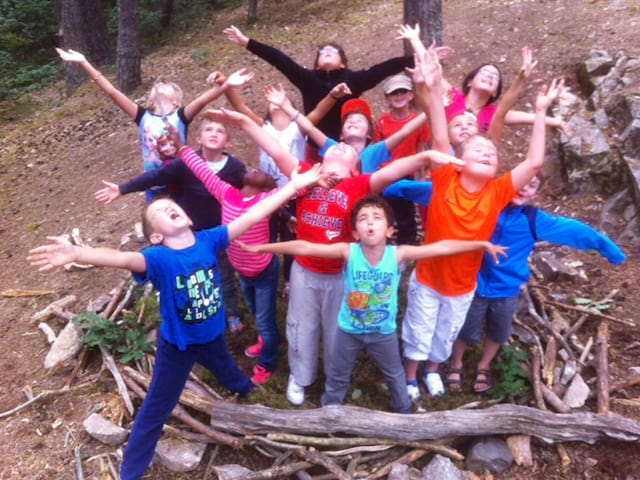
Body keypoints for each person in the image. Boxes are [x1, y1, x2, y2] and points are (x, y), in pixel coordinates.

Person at [27, 165, 322, 480]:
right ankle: (131, 472)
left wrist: (293, 187)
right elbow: (121, 258)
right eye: (162, 212)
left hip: (213, 335)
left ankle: (246, 390)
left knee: (227, 369)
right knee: (157, 406)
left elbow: (250, 217)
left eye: (173, 207)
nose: (170, 209)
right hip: (178, 346)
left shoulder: (210, 240)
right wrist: (76, 252)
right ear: (155, 235)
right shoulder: (158, 258)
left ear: (189, 218)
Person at [206, 103, 465, 406]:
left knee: (336, 331)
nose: (341, 146)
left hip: (342, 274)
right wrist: (241, 119)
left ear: (356, 167)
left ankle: (333, 376)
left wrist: (426, 156)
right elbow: (274, 149)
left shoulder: (359, 185)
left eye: (346, 150)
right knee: (301, 326)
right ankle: (300, 376)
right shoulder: (304, 173)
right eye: (336, 146)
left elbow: (394, 170)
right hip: (304, 270)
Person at [238, 194, 506, 412]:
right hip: (348, 331)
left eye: (377, 218)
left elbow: (440, 248)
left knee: (394, 375)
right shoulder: (348, 251)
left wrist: (481, 244)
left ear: (390, 230)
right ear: (355, 232)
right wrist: (262, 248)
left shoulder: (399, 254)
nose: (370, 222)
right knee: (338, 376)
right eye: (363, 219)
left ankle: (403, 409)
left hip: (383, 333)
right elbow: (305, 247)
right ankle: (330, 412)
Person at [400, 44, 563, 401]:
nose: (489, 153)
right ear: (458, 159)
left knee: (445, 332)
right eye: (478, 150)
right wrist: (430, 83)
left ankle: (432, 371)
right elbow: (439, 128)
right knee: (419, 328)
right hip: (428, 277)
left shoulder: (498, 191)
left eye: (492, 152)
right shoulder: (445, 177)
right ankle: (410, 376)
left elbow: (534, 163)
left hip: (462, 284)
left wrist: (539, 112)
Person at [170, 129, 327, 385]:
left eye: (261, 171)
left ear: (268, 185)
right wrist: (181, 148)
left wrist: (313, 179)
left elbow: (296, 190)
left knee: (265, 322)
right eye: (253, 167)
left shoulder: (268, 199)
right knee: (255, 312)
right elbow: (203, 171)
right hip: (242, 269)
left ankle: (268, 362)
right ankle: (265, 341)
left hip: (264, 270)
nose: (255, 167)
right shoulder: (227, 193)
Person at [446, 175, 627, 393]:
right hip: (473, 283)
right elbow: (442, 194)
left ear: (535, 195)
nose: (524, 188)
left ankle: (483, 366)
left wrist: (610, 250)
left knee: (499, 331)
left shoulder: (533, 220)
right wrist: (395, 185)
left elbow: (573, 229)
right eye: (521, 182)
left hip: (507, 289)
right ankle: (456, 363)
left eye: (531, 186)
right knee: (465, 328)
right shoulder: (486, 203)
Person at [95, 116, 248, 334]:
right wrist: (122, 189)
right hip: (187, 234)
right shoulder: (186, 163)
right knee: (191, 275)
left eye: (220, 131)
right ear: (198, 138)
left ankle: (231, 312)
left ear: (228, 142)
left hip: (219, 233)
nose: (214, 133)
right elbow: (155, 176)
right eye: (209, 129)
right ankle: (191, 310)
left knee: (223, 273)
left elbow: (246, 195)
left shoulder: (234, 168)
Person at [56, 48, 252, 200]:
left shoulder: (181, 115)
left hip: (181, 180)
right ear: (150, 101)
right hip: (154, 185)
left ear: (176, 101)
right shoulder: (142, 117)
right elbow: (112, 92)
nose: (160, 86)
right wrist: (84, 62)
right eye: (157, 87)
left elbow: (203, 100)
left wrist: (227, 85)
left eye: (167, 87)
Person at [223, 24, 416, 159]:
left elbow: (385, 68)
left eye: (333, 50)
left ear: (343, 62)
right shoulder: (307, 78)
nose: (327, 51)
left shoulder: (354, 79)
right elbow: (279, 59)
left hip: (347, 148)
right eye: (322, 52)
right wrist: (246, 42)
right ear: (316, 64)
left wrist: (419, 57)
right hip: (314, 147)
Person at [396, 24, 569, 137]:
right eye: (484, 72)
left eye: (495, 77)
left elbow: (531, 117)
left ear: (495, 92)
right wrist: (414, 39)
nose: (489, 75)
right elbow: (431, 69)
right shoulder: (452, 97)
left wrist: (556, 121)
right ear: (470, 82)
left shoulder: (495, 113)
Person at [373, 72, 431, 244]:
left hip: (407, 172)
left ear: (411, 95)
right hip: (385, 172)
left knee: (406, 211)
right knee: (386, 209)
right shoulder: (382, 122)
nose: (399, 96)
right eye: (394, 93)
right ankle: (386, 241)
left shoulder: (418, 121)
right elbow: (378, 148)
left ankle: (408, 244)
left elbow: (421, 147)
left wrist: (421, 173)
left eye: (402, 92)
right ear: (387, 99)